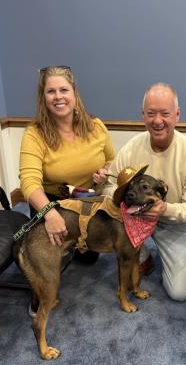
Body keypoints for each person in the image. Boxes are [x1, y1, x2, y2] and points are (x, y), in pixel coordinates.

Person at [104, 82, 186, 301]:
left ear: (177, 115)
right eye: (151, 113)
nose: (158, 121)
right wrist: (120, 198)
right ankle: (142, 255)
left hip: (175, 225)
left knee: (180, 293)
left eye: (165, 113)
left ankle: (156, 253)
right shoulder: (132, 147)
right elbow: (111, 184)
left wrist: (164, 209)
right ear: (143, 115)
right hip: (135, 218)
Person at [19, 65, 116, 251]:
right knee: (46, 259)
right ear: (43, 98)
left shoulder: (96, 126)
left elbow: (112, 160)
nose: (58, 97)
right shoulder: (34, 134)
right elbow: (29, 183)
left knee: (87, 257)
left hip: (87, 200)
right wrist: (50, 214)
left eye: (64, 90)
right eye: (51, 91)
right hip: (52, 202)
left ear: (74, 94)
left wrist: (105, 171)